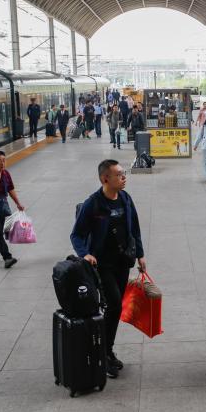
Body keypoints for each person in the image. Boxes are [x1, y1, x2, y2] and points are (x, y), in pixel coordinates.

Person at [70, 159, 147, 379]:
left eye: (124, 174)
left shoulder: (125, 198)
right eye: (119, 174)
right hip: (102, 265)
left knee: (115, 307)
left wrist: (140, 254)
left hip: (123, 261)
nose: (124, 177)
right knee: (113, 305)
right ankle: (103, 353)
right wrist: (85, 253)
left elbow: (135, 229)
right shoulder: (93, 204)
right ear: (105, 179)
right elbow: (76, 235)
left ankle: (105, 350)